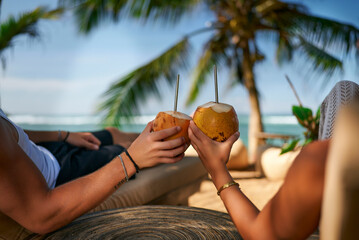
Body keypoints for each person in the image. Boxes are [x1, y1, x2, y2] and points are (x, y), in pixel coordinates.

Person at [188, 80, 359, 239]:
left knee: (344, 90)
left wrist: (217, 170)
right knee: (345, 89)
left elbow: (261, 235)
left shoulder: (321, 159)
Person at [0, 108, 188, 234]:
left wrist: (63, 135)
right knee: (129, 148)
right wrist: (131, 160)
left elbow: (12, 132)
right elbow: (40, 215)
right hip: (60, 173)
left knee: (113, 133)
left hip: (43, 150)